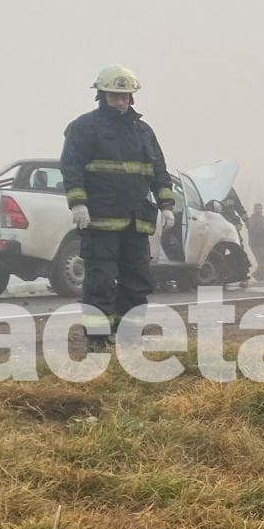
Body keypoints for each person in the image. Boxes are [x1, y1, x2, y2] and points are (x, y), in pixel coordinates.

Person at [60, 64, 176, 351]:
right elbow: (71, 168)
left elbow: (159, 170)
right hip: (100, 221)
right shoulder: (84, 128)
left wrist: (167, 204)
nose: (121, 101)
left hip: (137, 221)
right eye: (115, 96)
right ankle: (98, 339)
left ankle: (129, 337)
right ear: (102, 95)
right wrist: (78, 204)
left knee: (137, 281)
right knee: (100, 280)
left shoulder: (143, 131)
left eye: (125, 96)